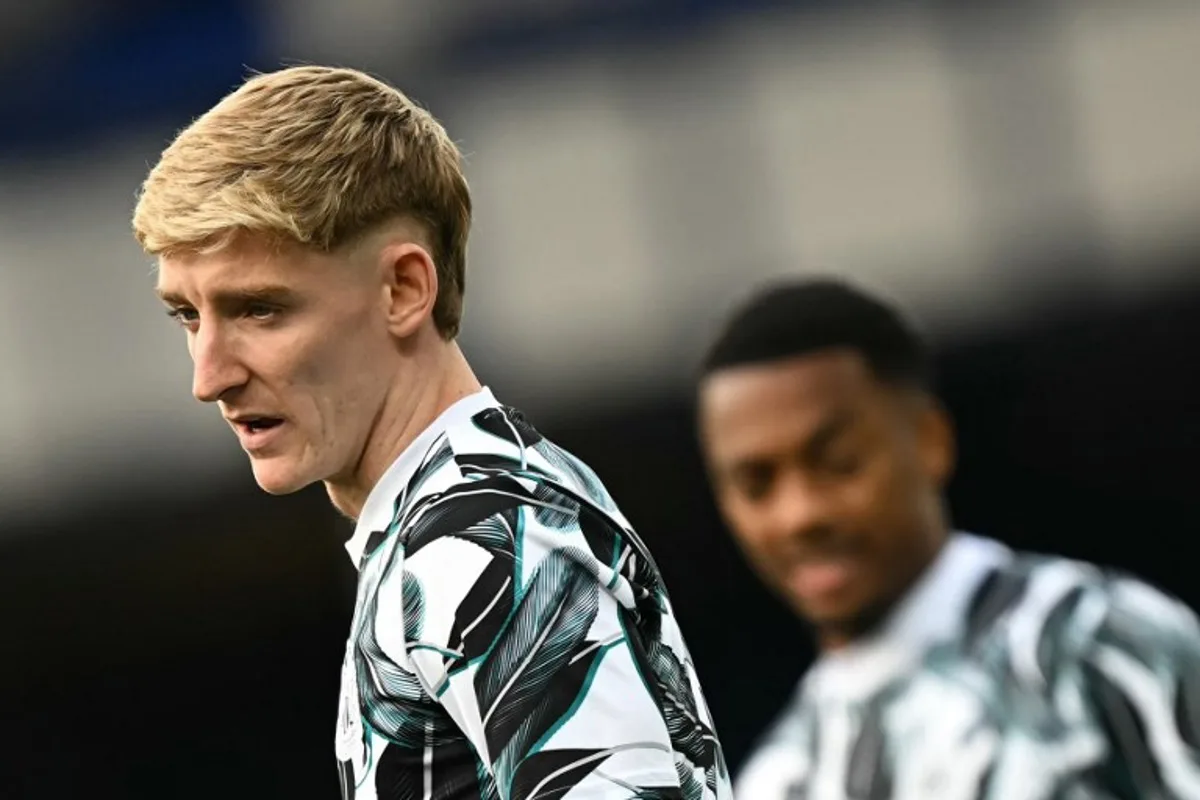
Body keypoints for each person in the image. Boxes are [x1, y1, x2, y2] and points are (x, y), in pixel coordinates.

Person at [132, 65, 731, 800]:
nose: (209, 376)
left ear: (405, 289)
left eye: (259, 309)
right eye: (188, 317)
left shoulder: (477, 535)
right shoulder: (465, 511)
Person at [695, 277, 1200, 799]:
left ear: (930, 440)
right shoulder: (777, 781)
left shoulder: (1104, 644)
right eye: (756, 485)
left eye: (839, 463)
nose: (800, 514)